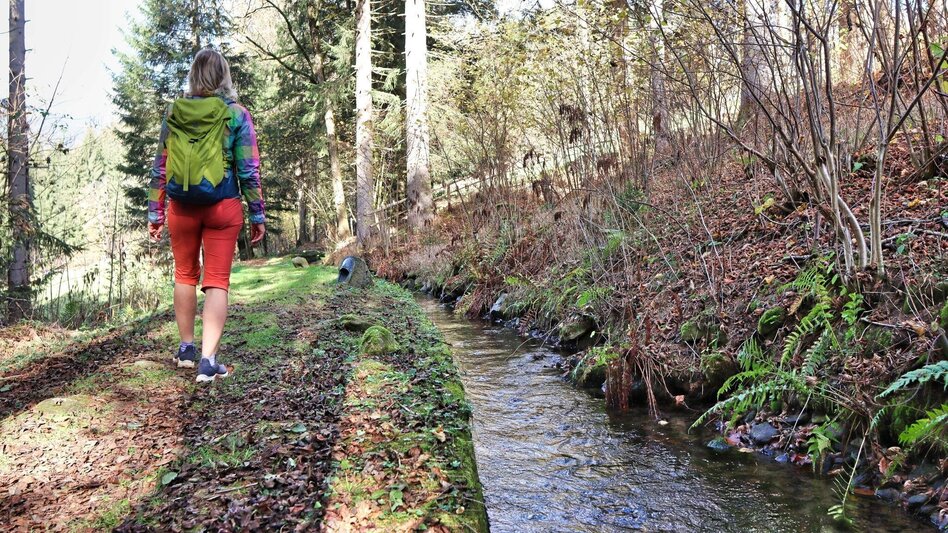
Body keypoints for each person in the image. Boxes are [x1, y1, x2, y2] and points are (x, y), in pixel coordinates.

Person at [147, 48, 266, 383]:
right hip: (223, 207)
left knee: (185, 274)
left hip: (181, 208)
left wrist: (155, 212)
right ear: (224, 77)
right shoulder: (237, 115)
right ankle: (208, 361)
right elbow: (249, 170)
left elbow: (159, 167)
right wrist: (257, 214)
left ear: (193, 76)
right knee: (217, 281)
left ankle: (186, 348)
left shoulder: (174, 113)